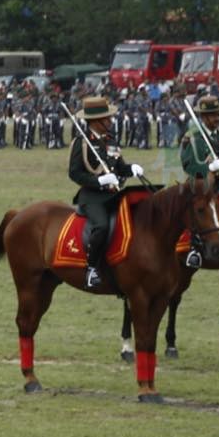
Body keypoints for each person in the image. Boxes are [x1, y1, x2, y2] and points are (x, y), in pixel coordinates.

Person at [69, 94, 141, 290]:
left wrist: (132, 168)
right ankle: (91, 269)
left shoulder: (111, 141)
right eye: (106, 118)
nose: (110, 121)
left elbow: (120, 167)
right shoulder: (82, 142)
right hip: (92, 197)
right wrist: (99, 181)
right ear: (95, 121)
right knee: (101, 226)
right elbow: (74, 173)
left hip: (114, 195)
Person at [180, 95, 219, 185]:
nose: (218, 118)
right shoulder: (192, 137)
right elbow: (189, 167)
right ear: (203, 117)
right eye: (213, 115)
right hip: (200, 186)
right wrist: (210, 168)